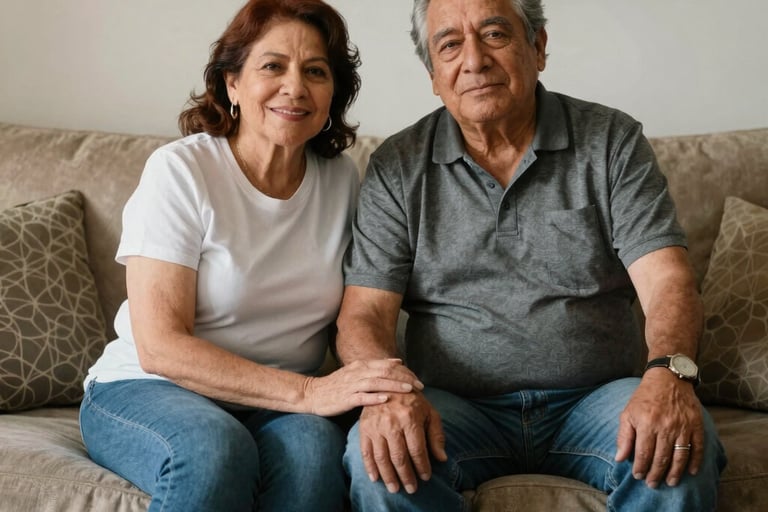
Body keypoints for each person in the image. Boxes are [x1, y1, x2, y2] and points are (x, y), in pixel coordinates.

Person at [335, 0, 727, 510]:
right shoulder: (397, 165)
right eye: (449, 45)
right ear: (433, 74)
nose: (473, 61)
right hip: (456, 409)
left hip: (597, 399)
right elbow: (363, 312)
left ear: (538, 47)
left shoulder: (611, 141)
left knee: (681, 451)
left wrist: (668, 376)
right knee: (378, 461)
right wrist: (387, 397)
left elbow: (668, 282)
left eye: (495, 35)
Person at [79, 1, 424, 511]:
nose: (295, 86)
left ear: (334, 93)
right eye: (272, 66)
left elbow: (360, 309)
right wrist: (310, 394)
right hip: (147, 388)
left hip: (275, 404)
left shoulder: (342, 180)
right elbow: (160, 346)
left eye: (315, 71)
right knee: (215, 449)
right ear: (232, 84)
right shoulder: (181, 171)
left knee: (315, 457)